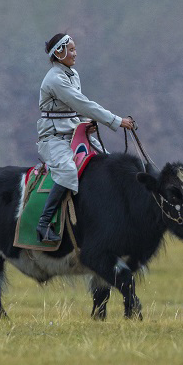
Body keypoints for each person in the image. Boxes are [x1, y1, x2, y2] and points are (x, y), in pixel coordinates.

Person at [36, 32, 135, 242]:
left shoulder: (72, 74)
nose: (75, 53)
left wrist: (85, 125)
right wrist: (117, 121)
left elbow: (76, 109)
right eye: (71, 50)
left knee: (108, 162)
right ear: (59, 53)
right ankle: (44, 224)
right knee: (68, 170)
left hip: (74, 133)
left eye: (74, 49)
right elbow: (82, 103)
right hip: (54, 138)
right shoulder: (55, 79)